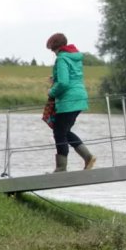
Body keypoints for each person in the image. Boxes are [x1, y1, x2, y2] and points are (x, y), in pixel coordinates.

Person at [46, 33, 95, 172]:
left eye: (52, 50)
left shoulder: (62, 58)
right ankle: (87, 157)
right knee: (64, 131)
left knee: (59, 132)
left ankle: (61, 168)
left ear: (56, 48)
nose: (53, 53)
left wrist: (51, 92)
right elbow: (72, 76)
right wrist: (54, 78)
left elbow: (63, 83)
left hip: (69, 100)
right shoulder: (74, 57)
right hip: (79, 97)